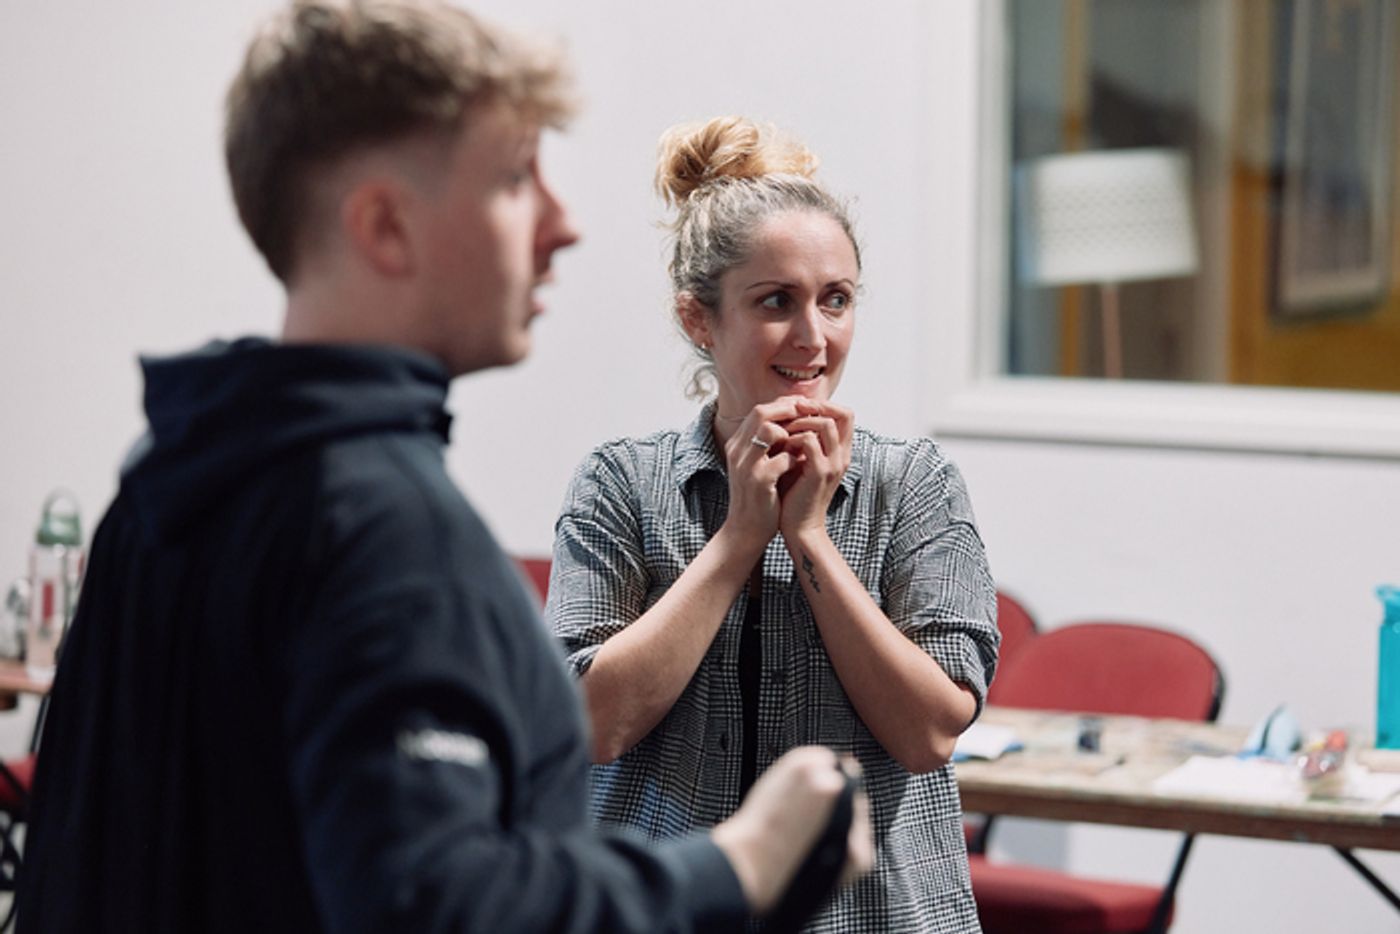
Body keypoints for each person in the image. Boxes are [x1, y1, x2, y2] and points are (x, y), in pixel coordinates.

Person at [16, 6, 871, 933]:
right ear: (386, 226)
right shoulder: (381, 531)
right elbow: (443, 909)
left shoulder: (168, 481)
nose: (562, 223)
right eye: (514, 178)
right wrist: (739, 865)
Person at [547, 116, 999, 933]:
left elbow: (932, 731)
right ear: (699, 321)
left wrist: (811, 537)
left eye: (836, 300)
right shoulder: (621, 482)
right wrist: (739, 538)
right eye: (775, 302)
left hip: (878, 914)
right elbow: (592, 724)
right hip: (665, 908)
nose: (813, 337)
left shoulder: (915, 483)